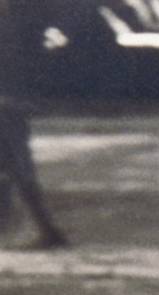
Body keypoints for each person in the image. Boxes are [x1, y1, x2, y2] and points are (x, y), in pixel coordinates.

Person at [0, 0, 68, 250]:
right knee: (13, 166)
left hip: (6, 104)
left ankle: (45, 229)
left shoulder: (9, 27)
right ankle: (38, 228)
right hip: (10, 102)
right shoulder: (13, 24)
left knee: (17, 167)